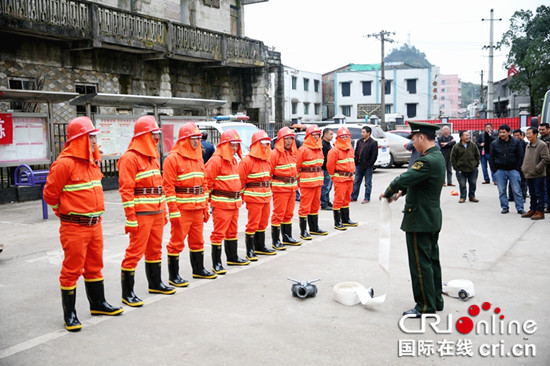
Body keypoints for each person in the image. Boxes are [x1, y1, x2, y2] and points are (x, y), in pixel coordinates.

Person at [44, 117, 123, 332]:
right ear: (79, 139)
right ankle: (70, 314)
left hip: (95, 225)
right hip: (75, 226)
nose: (94, 141)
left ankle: (98, 304)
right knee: (72, 269)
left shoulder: (92, 162)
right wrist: (64, 211)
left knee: (95, 266)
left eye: (94, 137)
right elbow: (50, 195)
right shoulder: (64, 164)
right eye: (91, 137)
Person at [379, 121, 445, 317]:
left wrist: (390, 191)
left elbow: (406, 177)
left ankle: (425, 306)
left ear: (421, 138)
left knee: (419, 264)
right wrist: (402, 192)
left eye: (414, 139)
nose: (413, 144)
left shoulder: (425, 160)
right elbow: (419, 180)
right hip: (431, 217)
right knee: (432, 261)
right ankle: (436, 300)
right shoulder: (437, 156)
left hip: (420, 219)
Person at [118, 116, 175, 307]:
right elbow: (126, 190)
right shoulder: (130, 158)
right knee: (135, 251)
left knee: (155, 250)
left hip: (157, 211)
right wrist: (130, 217)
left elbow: (159, 186)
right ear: (144, 135)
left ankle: (155, 283)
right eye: (153, 134)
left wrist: (164, 211)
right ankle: (128, 293)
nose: (156, 138)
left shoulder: (152, 157)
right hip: (142, 213)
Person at [163, 123, 217, 283]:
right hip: (182, 209)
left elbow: (204, 184)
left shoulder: (198, 157)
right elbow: (168, 186)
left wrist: (205, 207)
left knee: (198, 240)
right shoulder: (172, 159)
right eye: (193, 138)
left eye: (198, 138)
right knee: (176, 243)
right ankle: (174, 276)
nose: (196, 142)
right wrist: (173, 210)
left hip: (198, 208)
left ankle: (198, 270)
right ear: (184, 139)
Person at [205, 129, 249, 271]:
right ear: (225, 145)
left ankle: (232, 257)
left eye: (236, 145)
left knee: (232, 232)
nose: (235, 148)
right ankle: (216, 263)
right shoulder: (215, 161)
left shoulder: (233, 160)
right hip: (222, 204)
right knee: (219, 233)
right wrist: (206, 204)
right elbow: (207, 183)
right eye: (232, 145)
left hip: (233, 204)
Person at [239, 130, 277, 260]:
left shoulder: (267, 160)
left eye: (267, 144)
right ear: (256, 144)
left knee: (263, 222)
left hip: (266, 196)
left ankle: (260, 246)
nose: (266, 146)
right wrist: (243, 197)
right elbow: (241, 181)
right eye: (263, 144)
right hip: (253, 197)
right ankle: (250, 250)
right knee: (253, 223)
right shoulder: (247, 161)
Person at [270, 127, 302, 249]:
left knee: (288, 214)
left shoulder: (293, 153)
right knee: (278, 214)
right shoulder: (274, 154)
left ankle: (287, 237)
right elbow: (269, 172)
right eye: (286, 139)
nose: (289, 141)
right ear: (280, 140)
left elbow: (296, 170)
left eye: (290, 139)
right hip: (280, 189)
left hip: (292, 188)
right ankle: (276, 240)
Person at [296, 125, 327, 239]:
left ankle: (314, 228)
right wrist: (299, 181)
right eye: (313, 135)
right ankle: (303, 231)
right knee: (305, 207)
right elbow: (297, 167)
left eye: (317, 135)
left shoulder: (319, 149)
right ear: (308, 136)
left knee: (315, 206)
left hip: (318, 182)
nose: (316, 137)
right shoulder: (303, 149)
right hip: (307, 183)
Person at [489, 124, 525, 215]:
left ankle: (520, 208)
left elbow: (521, 156)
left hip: (513, 170)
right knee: (502, 191)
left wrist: (517, 168)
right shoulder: (494, 143)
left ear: (509, 132)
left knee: (517, 190)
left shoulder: (516, 142)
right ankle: (504, 207)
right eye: (500, 132)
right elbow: (491, 158)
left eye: (504, 132)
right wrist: (494, 170)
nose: (502, 134)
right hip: (500, 170)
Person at [327, 127, 358, 230]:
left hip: (349, 178)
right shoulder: (334, 150)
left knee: (346, 199)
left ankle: (346, 219)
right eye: (342, 136)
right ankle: (337, 222)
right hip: (340, 179)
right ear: (338, 138)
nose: (345, 138)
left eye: (346, 136)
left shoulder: (350, 149)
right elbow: (330, 166)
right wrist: (333, 177)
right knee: (338, 200)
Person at [521, 127, 550, 220]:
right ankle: (532, 209)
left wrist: (537, 168)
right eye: (527, 134)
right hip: (529, 173)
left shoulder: (542, 145)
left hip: (538, 174)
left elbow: (546, 159)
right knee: (532, 194)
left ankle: (540, 211)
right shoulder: (528, 145)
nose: (528, 135)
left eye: (529, 133)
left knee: (539, 193)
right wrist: (524, 168)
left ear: (535, 134)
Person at [450, 131, 480, 203]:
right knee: (462, 184)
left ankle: (472, 196)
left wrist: (476, 165)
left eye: (468, 135)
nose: (468, 137)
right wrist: (456, 167)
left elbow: (477, 156)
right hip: (461, 169)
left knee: (473, 183)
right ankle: (462, 197)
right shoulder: (456, 146)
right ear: (461, 137)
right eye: (466, 135)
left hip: (472, 169)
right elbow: (453, 158)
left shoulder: (473, 145)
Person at [351, 126, 378, 204]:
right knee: (356, 181)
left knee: (368, 183)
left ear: (368, 133)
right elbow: (356, 152)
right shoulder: (359, 141)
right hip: (358, 165)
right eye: (361, 132)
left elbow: (374, 156)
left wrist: (369, 164)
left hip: (367, 166)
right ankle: (354, 196)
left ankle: (367, 197)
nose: (361, 133)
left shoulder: (373, 142)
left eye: (363, 132)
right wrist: (355, 161)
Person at [509, 129, 528, 200]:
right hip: (513, 165)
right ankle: (511, 196)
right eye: (515, 135)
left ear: (521, 135)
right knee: (511, 181)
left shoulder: (525, 145)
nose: (516, 137)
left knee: (523, 182)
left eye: (518, 135)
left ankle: (523, 196)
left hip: (523, 166)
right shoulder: (510, 144)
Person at [320, 128, 334, 210]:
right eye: (330, 134)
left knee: (329, 186)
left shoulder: (328, 144)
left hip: (329, 169)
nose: (332, 136)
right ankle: (324, 203)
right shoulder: (322, 144)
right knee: (325, 186)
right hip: (325, 168)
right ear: (325, 134)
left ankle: (327, 201)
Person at [539, 122, 550, 212]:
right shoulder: (539, 139)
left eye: (543, 129)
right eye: (540, 130)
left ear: (548, 129)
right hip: (541, 166)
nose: (541, 131)